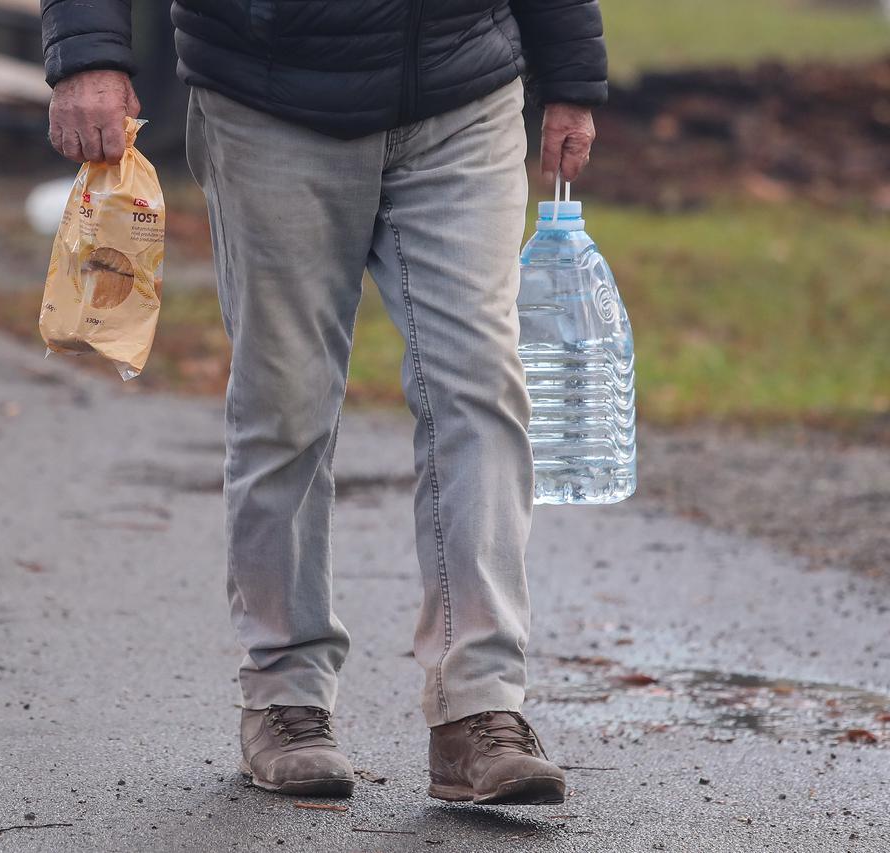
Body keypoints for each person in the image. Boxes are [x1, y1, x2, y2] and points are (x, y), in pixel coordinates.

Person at [41, 0, 604, 804]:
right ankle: (285, 695)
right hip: (271, 97)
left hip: (460, 89)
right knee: (287, 400)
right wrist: (88, 56)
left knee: (481, 383)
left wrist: (572, 73)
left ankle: (480, 707)